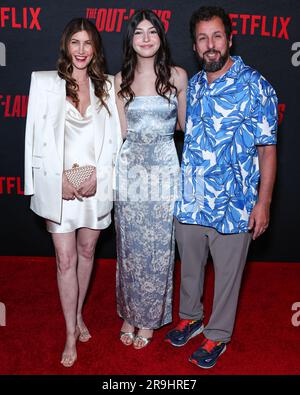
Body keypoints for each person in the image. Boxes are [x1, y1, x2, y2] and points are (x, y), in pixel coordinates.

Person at [165, 6, 278, 369]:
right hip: (193, 198)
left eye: (216, 36)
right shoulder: (193, 86)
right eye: (202, 38)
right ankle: (191, 316)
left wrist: (264, 203)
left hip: (236, 201)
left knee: (228, 276)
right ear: (196, 47)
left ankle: (217, 336)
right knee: (191, 266)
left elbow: (267, 149)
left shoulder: (256, 85)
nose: (210, 45)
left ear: (229, 39)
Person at [24, 18, 122, 367]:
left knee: (86, 251)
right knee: (64, 260)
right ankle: (70, 332)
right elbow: (33, 141)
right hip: (59, 185)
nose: (81, 51)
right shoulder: (45, 83)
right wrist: (49, 184)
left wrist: (102, 176)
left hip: (95, 184)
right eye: (75, 43)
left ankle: (78, 313)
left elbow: (115, 143)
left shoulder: (108, 87)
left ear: (95, 48)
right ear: (66, 46)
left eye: (88, 43)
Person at [114, 9, 187, 349]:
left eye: (152, 31)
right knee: (129, 246)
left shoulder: (177, 77)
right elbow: (121, 133)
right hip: (130, 171)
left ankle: (149, 319)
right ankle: (130, 312)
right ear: (131, 39)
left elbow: (185, 128)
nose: (146, 38)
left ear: (161, 37)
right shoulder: (119, 80)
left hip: (163, 170)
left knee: (159, 248)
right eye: (139, 32)